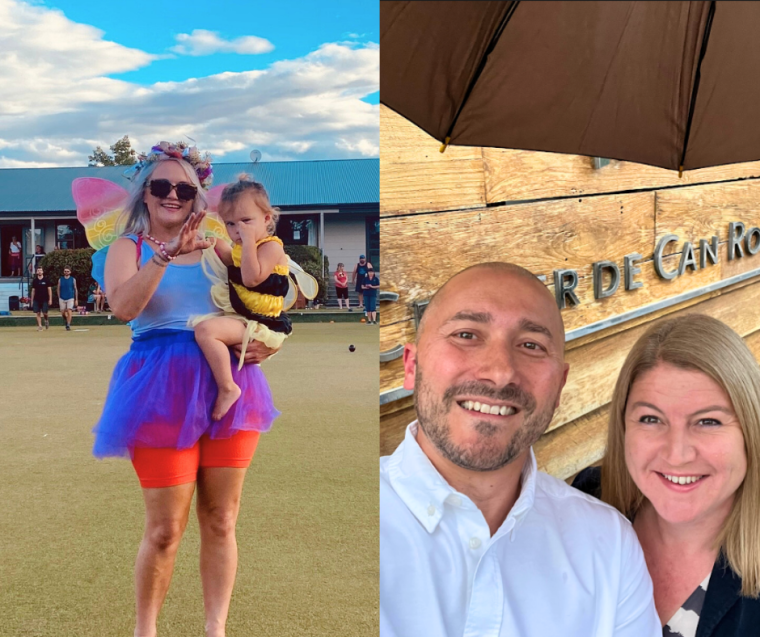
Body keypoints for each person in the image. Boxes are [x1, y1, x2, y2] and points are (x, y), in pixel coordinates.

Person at [380, 262, 660, 637]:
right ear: (412, 366)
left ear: (559, 387)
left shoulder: (609, 545)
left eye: (531, 345)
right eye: (467, 334)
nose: (500, 371)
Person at [90, 141, 280, 637]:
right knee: (165, 530)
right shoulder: (126, 249)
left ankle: (215, 629)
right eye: (161, 186)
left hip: (230, 382)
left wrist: (269, 340)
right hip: (158, 387)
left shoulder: (220, 246)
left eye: (184, 187)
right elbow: (125, 308)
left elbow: (262, 298)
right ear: (145, 194)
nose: (172, 195)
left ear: (198, 195)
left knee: (221, 519)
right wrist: (166, 255)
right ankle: (145, 631)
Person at [573, 314, 760, 637]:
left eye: (708, 421)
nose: (677, 454)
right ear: (623, 426)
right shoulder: (590, 500)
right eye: (650, 418)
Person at [193, 174, 291, 421]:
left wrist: (247, 243)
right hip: (245, 316)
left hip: (261, 323)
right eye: (230, 224)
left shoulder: (271, 247)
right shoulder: (241, 246)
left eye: (246, 221)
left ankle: (228, 387)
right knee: (208, 330)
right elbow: (231, 261)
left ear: (267, 219)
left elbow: (250, 278)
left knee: (206, 330)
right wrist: (214, 242)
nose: (238, 230)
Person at [30, 266, 52, 330]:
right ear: (37, 272)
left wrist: (50, 299)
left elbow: (49, 290)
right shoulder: (35, 281)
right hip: (37, 299)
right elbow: (33, 291)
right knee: (38, 313)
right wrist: (32, 300)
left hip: (45, 299)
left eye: (40, 270)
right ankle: (40, 326)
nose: (39, 271)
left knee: (45, 313)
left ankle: (46, 320)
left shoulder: (46, 280)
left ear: (43, 271)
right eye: (38, 270)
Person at [57, 265, 77, 331]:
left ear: (70, 272)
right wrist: (59, 297)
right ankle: (66, 320)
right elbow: (58, 289)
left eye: (68, 271)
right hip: (62, 297)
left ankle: (68, 324)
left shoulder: (73, 279)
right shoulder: (60, 279)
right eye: (65, 271)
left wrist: (76, 299)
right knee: (63, 312)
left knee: (69, 310)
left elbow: (75, 289)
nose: (66, 272)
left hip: (70, 297)